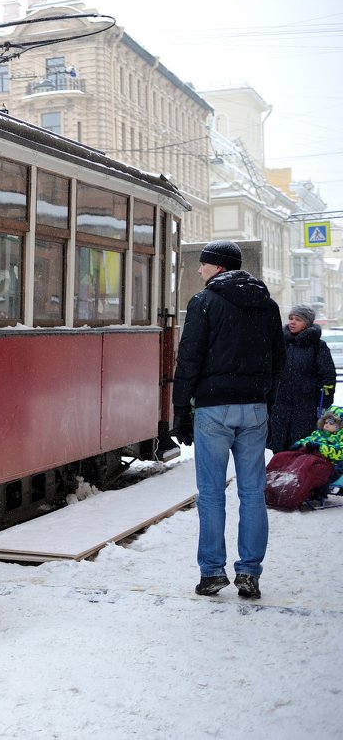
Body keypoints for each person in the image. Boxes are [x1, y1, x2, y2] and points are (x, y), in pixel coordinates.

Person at [172, 240, 284, 601]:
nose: (199, 270)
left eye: (203, 265)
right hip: (253, 408)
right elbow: (277, 359)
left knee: (211, 493)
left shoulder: (204, 303)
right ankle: (249, 572)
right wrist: (265, 400)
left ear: (218, 267)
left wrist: (179, 410)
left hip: (213, 410)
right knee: (253, 493)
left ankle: (212, 572)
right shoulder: (267, 305)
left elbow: (188, 359)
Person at [267, 304, 335, 452]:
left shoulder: (317, 346)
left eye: (297, 319)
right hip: (280, 409)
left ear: (307, 323)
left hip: (306, 409)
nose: (292, 322)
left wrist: (324, 406)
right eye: (291, 318)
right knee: (279, 449)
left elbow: (328, 377)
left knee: (302, 449)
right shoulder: (280, 343)